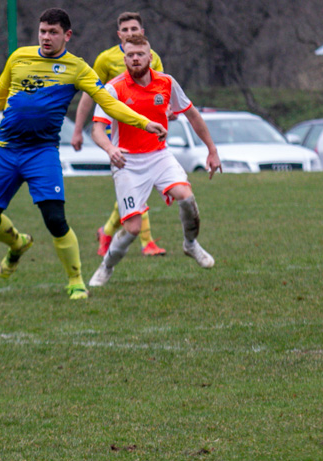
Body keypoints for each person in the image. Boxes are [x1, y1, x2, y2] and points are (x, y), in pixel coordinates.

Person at [0, 8, 166, 300]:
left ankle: (76, 281)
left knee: (55, 219)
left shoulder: (77, 68)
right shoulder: (19, 58)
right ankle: (18, 245)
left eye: (53, 32)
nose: (46, 37)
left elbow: (108, 102)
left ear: (67, 36)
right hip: (5, 150)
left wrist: (144, 122)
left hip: (41, 153)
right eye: (43, 31)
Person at [84, 34, 221, 288]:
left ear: (150, 57)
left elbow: (191, 114)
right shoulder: (113, 88)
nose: (135, 59)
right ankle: (107, 266)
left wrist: (211, 149)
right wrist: (110, 148)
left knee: (187, 196)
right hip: (126, 162)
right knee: (133, 229)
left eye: (140, 54)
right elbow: (97, 130)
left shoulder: (166, 83)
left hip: (159, 155)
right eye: (130, 55)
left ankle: (190, 244)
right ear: (124, 58)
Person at [72, 12, 167, 257]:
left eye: (133, 28)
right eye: (124, 29)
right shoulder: (106, 59)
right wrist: (77, 130)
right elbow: (88, 94)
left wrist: (167, 112)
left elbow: (160, 88)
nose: (129, 32)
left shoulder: (151, 56)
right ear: (118, 34)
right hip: (116, 133)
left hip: (144, 130)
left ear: (142, 31)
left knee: (133, 188)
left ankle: (106, 232)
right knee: (136, 185)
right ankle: (147, 242)